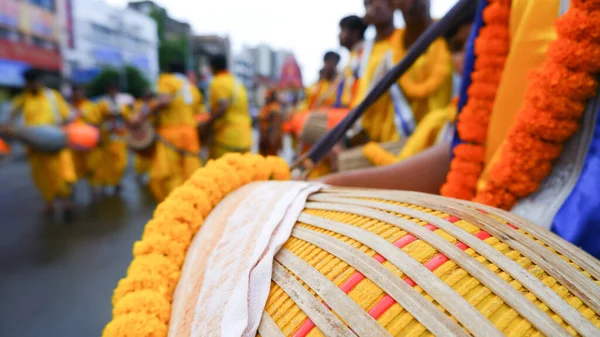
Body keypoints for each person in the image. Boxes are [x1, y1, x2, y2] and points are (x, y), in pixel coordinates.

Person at [323, 0, 600, 258]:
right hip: (480, 215)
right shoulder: (493, 11)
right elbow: (473, 148)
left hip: (559, 246)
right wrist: (331, 183)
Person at [362, 1, 476, 163]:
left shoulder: (457, 32)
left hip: (456, 139)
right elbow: (370, 115)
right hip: (396, 150)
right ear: (392, 4)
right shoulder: (383, 57)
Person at [352, 0, 452, 144]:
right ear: (394, 4)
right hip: (398, 141)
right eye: (369, 3)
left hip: (447, 138)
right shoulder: (389, 53)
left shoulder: (454, 33)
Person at [7, 68, 76, 216]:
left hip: (55, 144)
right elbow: (10, 122)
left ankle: (66, 203)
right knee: (42, 177)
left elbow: (67, 116)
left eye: (34, 82)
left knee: (62, 175)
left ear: (40, 82)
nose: (32, 85)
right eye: (29, 83)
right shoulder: (21, 100)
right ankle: (49, 204)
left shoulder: (53, 96)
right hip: (35, 147)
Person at [148, 61, 202, 202]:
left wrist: (149, 110)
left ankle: (175, 206)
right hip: (190, 134)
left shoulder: (166, 80)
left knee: (169, 174)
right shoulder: (192, 88)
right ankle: (191, 202)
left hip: (170, 134)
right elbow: (198, 112)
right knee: (190, 171)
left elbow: (164, 101)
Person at [206, 54, 253, 159]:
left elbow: (223, 106)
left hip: (226, 139)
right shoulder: (237, 82)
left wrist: (207, 123)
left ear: (213, 67)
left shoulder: (218, 82)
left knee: (222, 173)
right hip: (245, 137)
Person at [95, 81, 132, 195]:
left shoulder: (122, 103)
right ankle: (107, 184)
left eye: (115, 90)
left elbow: (127, 115)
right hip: (108, 137)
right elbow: (100, 116)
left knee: (121, 163)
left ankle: (116, 181)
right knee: (106, 163)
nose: (114, 92)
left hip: (120, 137)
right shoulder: (102, 103)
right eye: (111, 90)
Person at [69, 85, 102, 191]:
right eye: (75, 91)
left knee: (93, 169)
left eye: (80, 91)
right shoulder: (68, 108)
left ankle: (95, 194)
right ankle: (71, 196)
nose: (78, 94)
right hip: (73, 146)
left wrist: (98, 138)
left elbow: (97, 123)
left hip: (90, 144)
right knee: (73, 170)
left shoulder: (91, 106)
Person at [335, 15, 368, 108]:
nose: (339, 35)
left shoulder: (364, 55)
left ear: (355, 33)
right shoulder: (353, 56)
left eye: (342, 30)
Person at [259, 89, 283, 156]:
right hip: (264, 141)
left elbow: (276, 129)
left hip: (269, 144)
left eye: (267, 96)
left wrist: (272, 143)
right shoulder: (266, 108)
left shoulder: (274, 109)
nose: (266, 97)